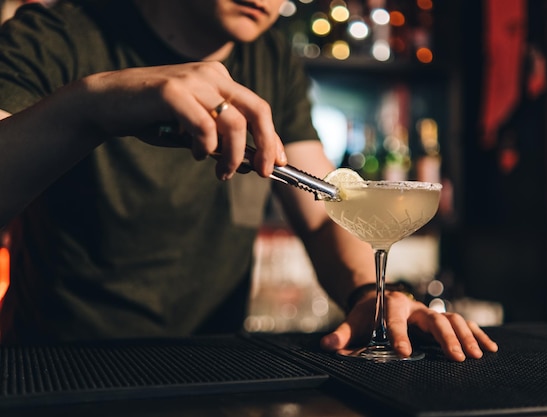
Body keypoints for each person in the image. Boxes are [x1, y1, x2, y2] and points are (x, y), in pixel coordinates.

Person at [0, 0, 498, 361]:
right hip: (56, 366)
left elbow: (328, 207)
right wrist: (91, 103)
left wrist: (368, 295)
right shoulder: (56, 35)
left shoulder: (271, 57)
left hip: (214, 364)